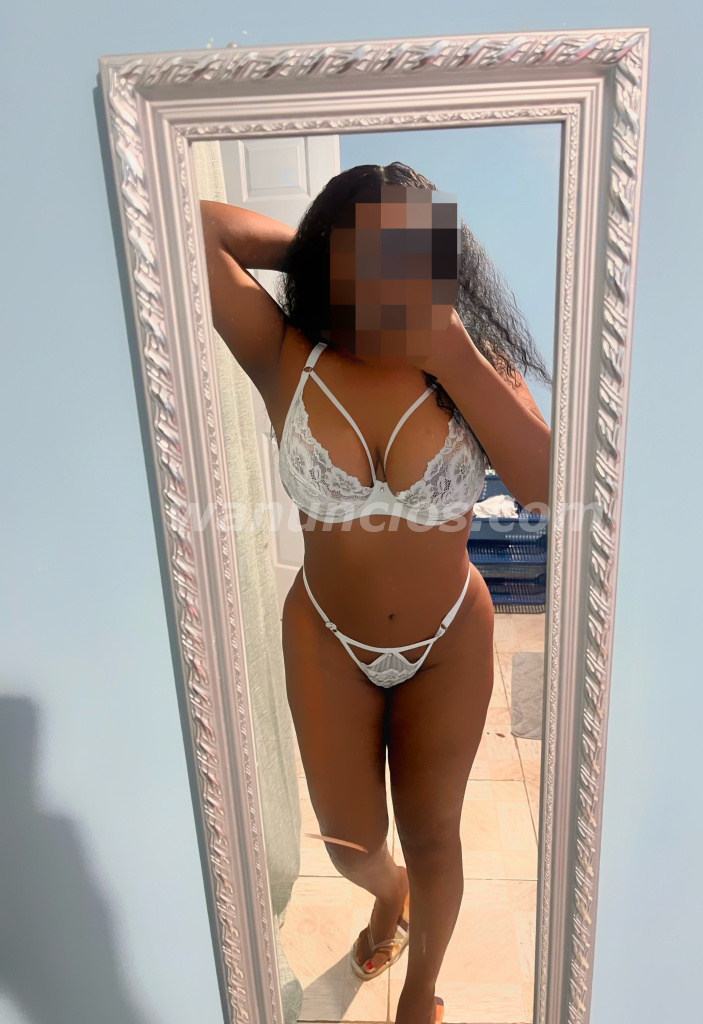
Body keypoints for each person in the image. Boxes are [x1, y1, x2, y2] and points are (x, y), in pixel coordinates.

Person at [200, 161, 551, 1024]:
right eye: (365, 253)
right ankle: (385, 894)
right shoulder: (285, 353)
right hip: (327, 637)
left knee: (436, 837)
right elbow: (191, 229)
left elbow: (547, 486)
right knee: (352, 845)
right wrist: (317, 250)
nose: (389, 275)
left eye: (412, 253)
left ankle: (421, 989)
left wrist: (449, 348)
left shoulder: (473, 358)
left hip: (448, 640)